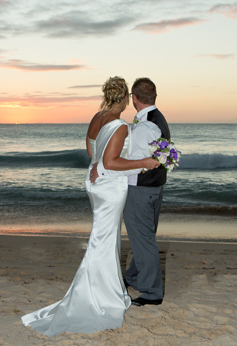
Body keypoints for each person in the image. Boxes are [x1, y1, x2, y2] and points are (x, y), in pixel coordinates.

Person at [21, 76, 160, 336]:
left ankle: (102, 288)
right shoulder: (119, 125)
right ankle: (100, 295)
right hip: (110, 186)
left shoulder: (97, 117)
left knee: (101, 237)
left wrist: (98, 163)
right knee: (104, 240)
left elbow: (91, 151)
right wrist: (145, 161)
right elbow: (111, 163)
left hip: (94, 184)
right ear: (122, 98)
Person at [92, 77, 170, 306]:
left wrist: (101, 167)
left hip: (140, 190)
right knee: (143, 238)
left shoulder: (144, 127)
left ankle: (151, 292)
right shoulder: (158, 119)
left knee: (143, 240)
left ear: (134, 99)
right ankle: (134, 276)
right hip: (155, 188)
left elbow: (127, 162)